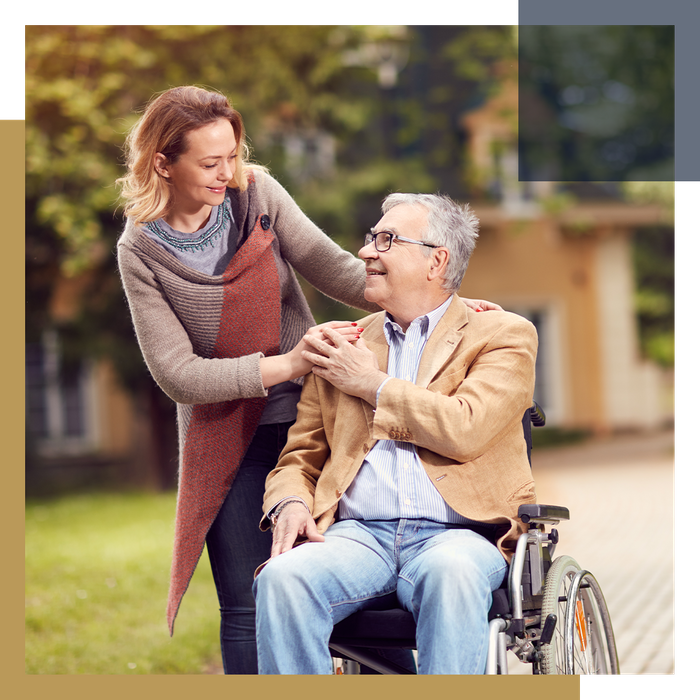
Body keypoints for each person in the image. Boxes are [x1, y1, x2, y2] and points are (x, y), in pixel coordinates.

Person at [115, 86, 499, 674]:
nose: (228, 173)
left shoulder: (256, 195)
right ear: (163, 164)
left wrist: (449, 304)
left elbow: (337, 269)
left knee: (370, 565)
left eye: (233, 155)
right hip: (227, 433)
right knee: (247, 600)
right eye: (210, 163)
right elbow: (178, 375)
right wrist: (291, 363)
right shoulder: (140, 250)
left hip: (316, 409)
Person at [253, 192, 539, 675]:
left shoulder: (503, 335)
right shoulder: (341, 342)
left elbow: (465, 427)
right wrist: (291, 502)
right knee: (283, 577)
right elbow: (299, 458)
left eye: (386, 240)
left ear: (436, 261)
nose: (366, 251)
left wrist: (372, 384)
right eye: (370, 238)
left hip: (457, 536)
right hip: (356, 537)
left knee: (450, 575)